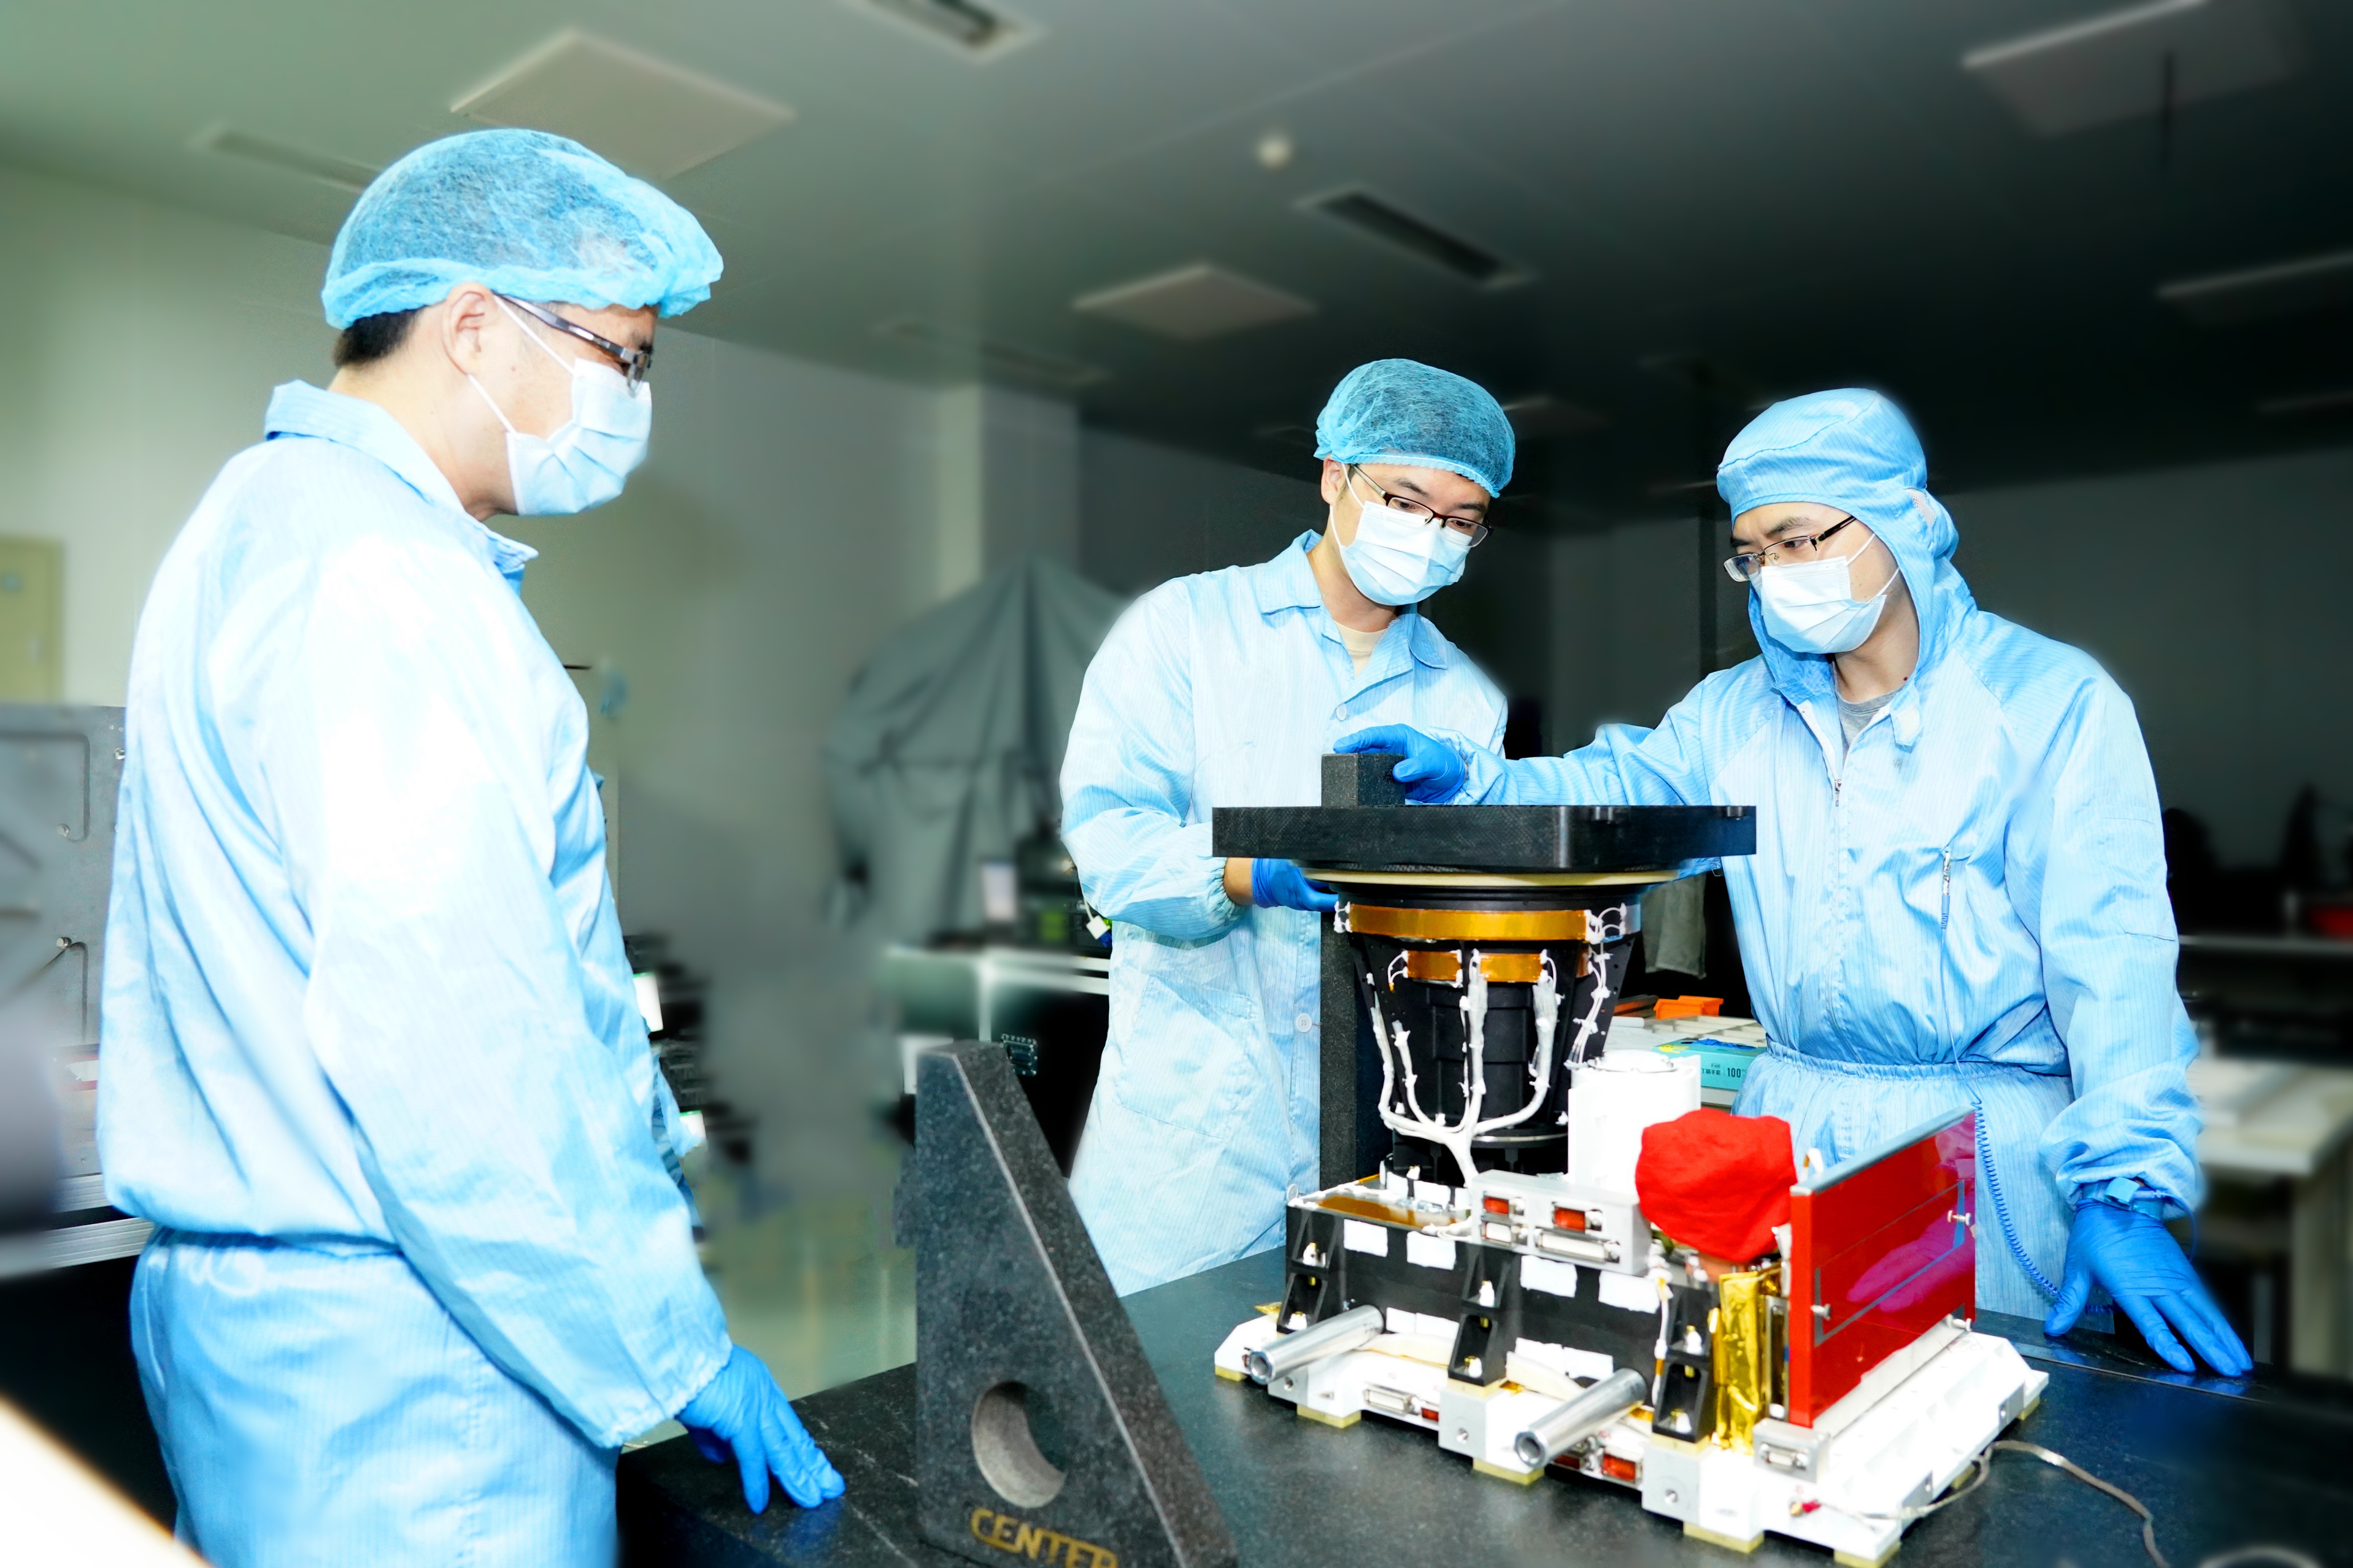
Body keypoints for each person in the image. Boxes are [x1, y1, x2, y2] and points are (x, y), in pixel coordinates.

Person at [98, 130, 843, 1567]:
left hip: (289, 1353)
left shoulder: (259, 521)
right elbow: (458, 1044)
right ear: (475, 327)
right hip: (416, 1378)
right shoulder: (385, 580)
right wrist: (670, 1343)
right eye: (621, 357)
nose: (631, 403)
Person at [1341, 390, 2251, 1377]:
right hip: (1790, 1137)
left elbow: (2114, 963)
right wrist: (1478, 782)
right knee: (1779, 1414)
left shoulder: (2047, 706)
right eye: (1752, 553)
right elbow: (1612, 798)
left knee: (1976, 1427)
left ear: (1902, 522)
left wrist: (2124, 1190)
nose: (1775, 574)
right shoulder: (1737, 715)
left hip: (1979, 1159)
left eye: (1798, 540)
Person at [1061, 359, 1517, 1294]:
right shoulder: (1186, 629)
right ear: (1333, 475)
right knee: (1152, 1369)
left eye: (1459, 521)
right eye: (1405, 501)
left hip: (1379, 1121)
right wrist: (1246, 870)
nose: (1429, 535)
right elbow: (1107, 841)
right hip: (1191, 1135)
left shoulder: (1465, 701)